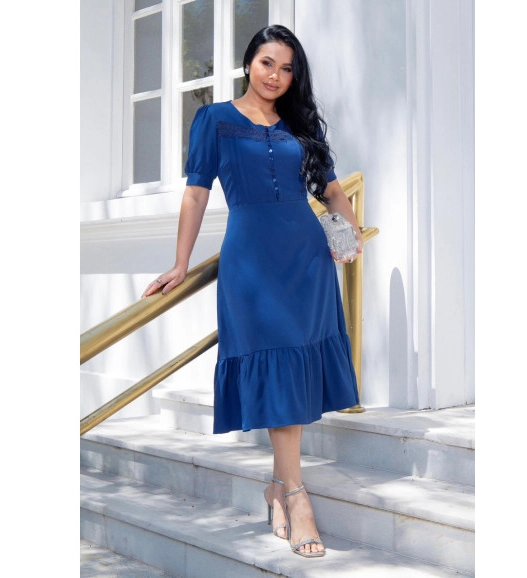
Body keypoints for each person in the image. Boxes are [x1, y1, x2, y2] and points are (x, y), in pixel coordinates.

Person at [143, 24, 363, 558]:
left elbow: (332, 191)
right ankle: (296, 496)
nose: (276, 76)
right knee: (276, 366)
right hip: (251, 264)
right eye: (268, 63)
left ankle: (280, 488)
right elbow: (196, 194)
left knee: (292, 371)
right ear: (248, 64)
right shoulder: (214, 119)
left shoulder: (299, 125)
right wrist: (180, 263)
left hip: (306, 261)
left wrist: (347, 236)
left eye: (287, 69)